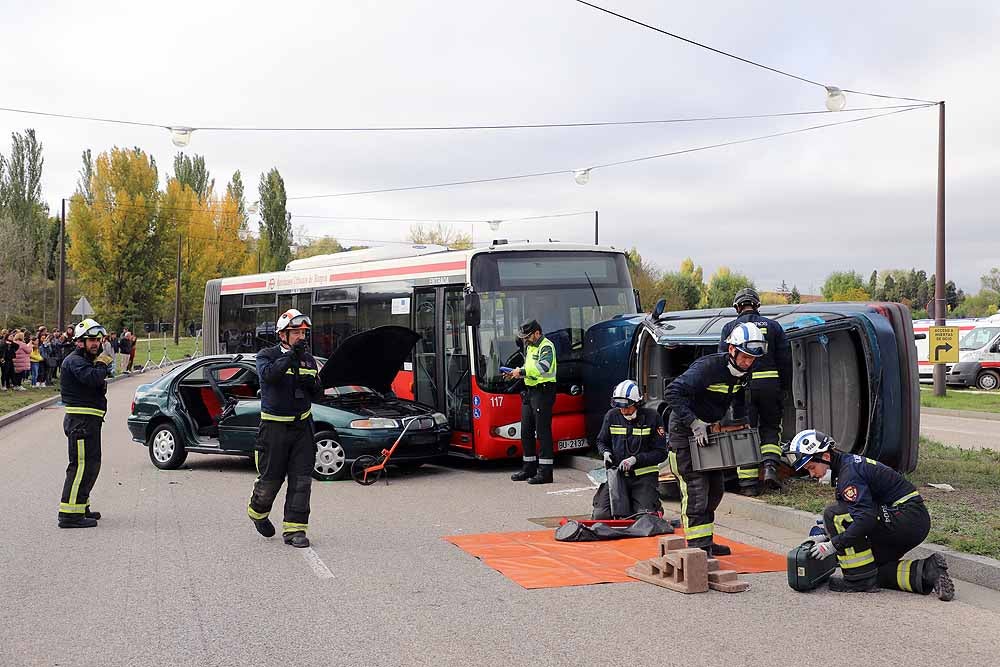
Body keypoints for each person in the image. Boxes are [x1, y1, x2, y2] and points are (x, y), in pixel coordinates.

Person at [784, 429, 955, 599]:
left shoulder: (849, 474)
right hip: (910, 519)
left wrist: (833, 545)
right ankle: (929, 571)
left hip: (906, 517)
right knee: (871, 569)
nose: (812, 474)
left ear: (826, 456)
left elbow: (864, 517)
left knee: (833, 514)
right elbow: (856, 507)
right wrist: (822, 534)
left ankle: (857, 581)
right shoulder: (847, 466)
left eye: (812, 467)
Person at [664, 322, 767, 555]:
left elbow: (738, 396)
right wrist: (694, 423)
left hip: (709, 433)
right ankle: (696, 548)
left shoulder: (743, 372)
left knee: (715, 490)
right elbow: (672, 392)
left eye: (753, 358)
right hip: (685, 433)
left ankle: (706, 541)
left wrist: (740, 422)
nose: (749, 363)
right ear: (732, 350)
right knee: (696, 490)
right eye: (745, 357)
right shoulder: (708, 368)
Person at [247, 309, 323, 548]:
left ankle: (295, 530)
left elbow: (319, 393)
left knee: (302, 480)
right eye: (296, 332)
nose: (301, 336)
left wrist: (313, 385)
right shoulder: (266, 355)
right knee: (271, 479)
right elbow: (269, 377)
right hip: (274, 429)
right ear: (282, 334)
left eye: (303, 332)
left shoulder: (309, 360)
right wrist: (290, 358)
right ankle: (258, 512)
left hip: (303, 428)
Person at [719, 288, 792, 495]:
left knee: (745, 433)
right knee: (770, 428)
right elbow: (785, 361)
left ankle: (749, 486)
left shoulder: (729, 328)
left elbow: (722, 362)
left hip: (742, 390)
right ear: (757, 305)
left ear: (737, 307)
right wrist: (784, 389)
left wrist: (725, 395)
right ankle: (769, 467)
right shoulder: (774, 326)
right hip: (771, 387)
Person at [57, 318, 113, 528]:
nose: (95, 344)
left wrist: (99, 365)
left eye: (97, 340)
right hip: (80, 423)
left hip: (89, 421)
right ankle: (69, 515)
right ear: (79, 341)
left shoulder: (85, 360)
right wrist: (101, 365)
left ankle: (81, 506)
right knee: (80, 467)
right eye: (91, 340)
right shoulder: (75, 361)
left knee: (91, 466)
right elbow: (93, 379)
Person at [592, 380, 667, 519]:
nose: (623, 411)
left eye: (627, 407)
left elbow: (661, 453)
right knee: (601, 516)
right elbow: (601, 441)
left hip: (643, 477)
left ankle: (652, 506)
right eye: (620, 407)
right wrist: (605, 452)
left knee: (644, 518)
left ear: (637, 403)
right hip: (618, 476)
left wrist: (636, 459)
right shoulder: (612, 416)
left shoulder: (652, 418)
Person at [507, 319, 558, 485]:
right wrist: (516, 373)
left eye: (528, 336)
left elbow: (543, 367)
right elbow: (529, 367)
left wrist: (521, 371)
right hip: (530, 392)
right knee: (526, 431)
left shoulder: (546, 346)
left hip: (543, 392)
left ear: (537, 333)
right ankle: (529, 468)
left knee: (542, 432)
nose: (525, 340)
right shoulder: (530, 346)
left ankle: (545, 473)